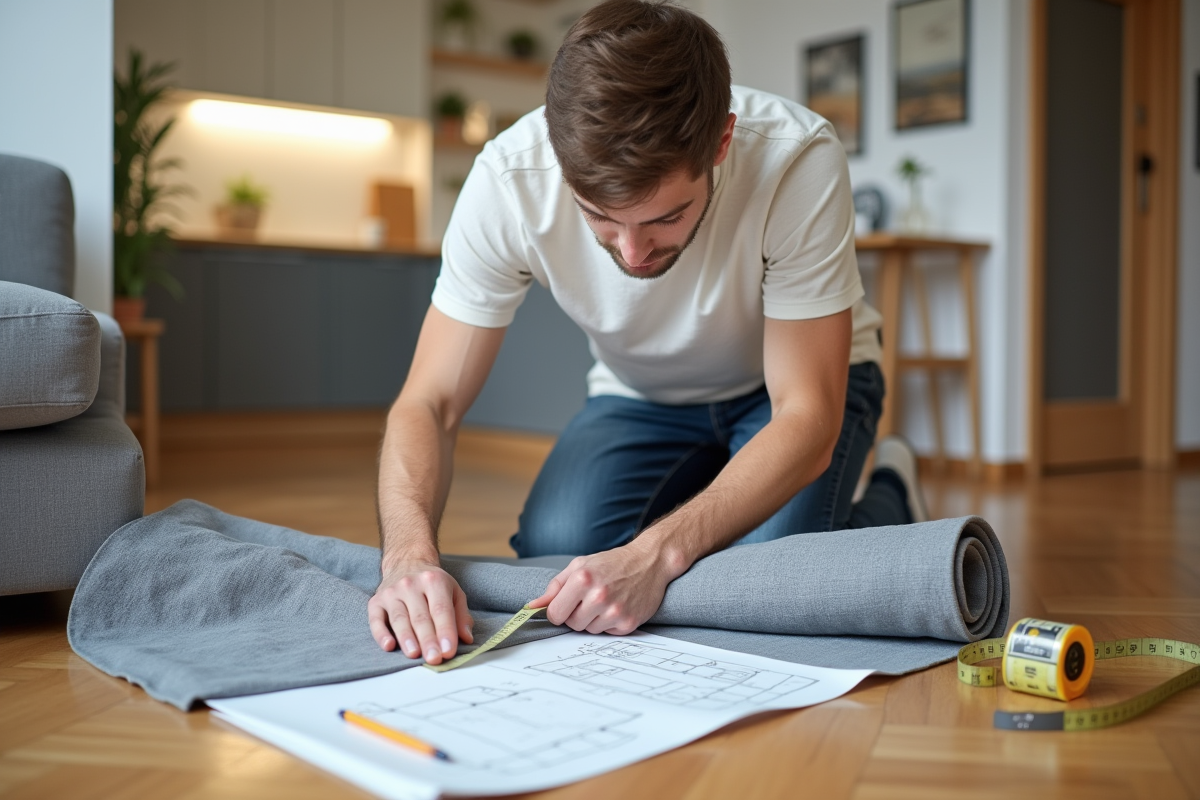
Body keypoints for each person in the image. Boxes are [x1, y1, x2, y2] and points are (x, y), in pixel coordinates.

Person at [368, 0, 928, 666]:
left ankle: (891, 490)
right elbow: (429, 400)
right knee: (559, 547)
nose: (633, 255)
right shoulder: (508, 180)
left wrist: (657, 553)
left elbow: (806, 417)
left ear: (721, 142)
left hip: (793, 395)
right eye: (600, 218)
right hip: (641, 394)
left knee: (762, 584)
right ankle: (707, 511)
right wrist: (405, 558)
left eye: (665, 217)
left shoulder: (796, 157)